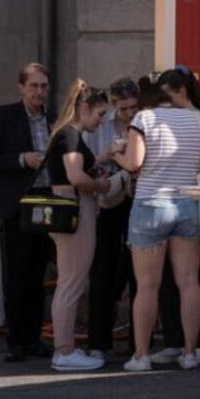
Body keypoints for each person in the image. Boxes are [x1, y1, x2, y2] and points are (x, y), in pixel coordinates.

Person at [118, 67, 200, 372]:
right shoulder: (199, 119)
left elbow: (135, 164)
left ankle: (140, 355)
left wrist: (116, 157)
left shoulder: (144, 119)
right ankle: (190, 353)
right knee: (189, 282)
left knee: (147, 286)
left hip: (151, 205)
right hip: (188, 204)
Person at [0, 62, 55, 362]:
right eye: (34, 86)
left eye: (44, 86)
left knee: (39, 272)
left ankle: (35, 337)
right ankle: (18, 341)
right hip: (18, 204)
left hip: (47, 202)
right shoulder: (4, 116)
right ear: (21, 87)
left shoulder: (54, 117)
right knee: (18, 274)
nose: (39, 92)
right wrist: (22, 159)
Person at [149, 69, 200, 365]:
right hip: (193, 203)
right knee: (195, 278)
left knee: (173, 278)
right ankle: (199, 344)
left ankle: (176, 341)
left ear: (181, 92)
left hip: (164, 201)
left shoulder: (166, 119)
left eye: (167, 95)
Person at [41, 80, 109, 372]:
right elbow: (75, 176)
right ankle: (65, 351)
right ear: (84, 108)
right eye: (99, 114)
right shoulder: (70, 136)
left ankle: (64, 348)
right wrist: (100, 185)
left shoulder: (66, 134)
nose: (101, 119)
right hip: (75, 208)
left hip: (68, 208)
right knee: (72, 282)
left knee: (70, 281)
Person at [83, 76, 143, 361]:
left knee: (139, 273)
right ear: (115, 105)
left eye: (134, 107)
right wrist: (108, 156)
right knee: (103, 269)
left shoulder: (144, 122)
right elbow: (87, 159)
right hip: (108, 201)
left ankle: (138, 343)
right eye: (124, 109)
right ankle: (98, 341)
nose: (130, 113)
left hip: (137, 198)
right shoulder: (102, 126)